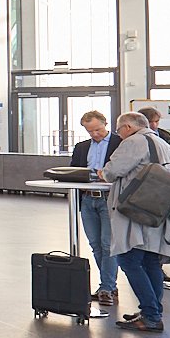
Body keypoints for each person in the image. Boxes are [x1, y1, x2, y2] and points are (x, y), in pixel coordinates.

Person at [102, 111, 170, 333]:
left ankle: (151, 315)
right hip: (157, 210)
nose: (119, 135)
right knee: (150, 262)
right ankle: (152, 312)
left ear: (127, 127)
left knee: (129, 260)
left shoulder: (134, 142)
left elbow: (111, 172)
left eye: (119, 131)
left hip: (135, 212)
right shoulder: (162, 143)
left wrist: (104, 171)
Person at [71, 111, 124, 309]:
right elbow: (74, 171)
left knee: (108, 244)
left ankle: (106, 287)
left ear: (105, 124)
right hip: (87, 200)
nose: (95, 134)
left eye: (98, 129)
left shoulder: (121, 144)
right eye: (90, 131)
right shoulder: (81, 147)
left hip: (110, 199)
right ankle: (109, 285)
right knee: (95, 244)